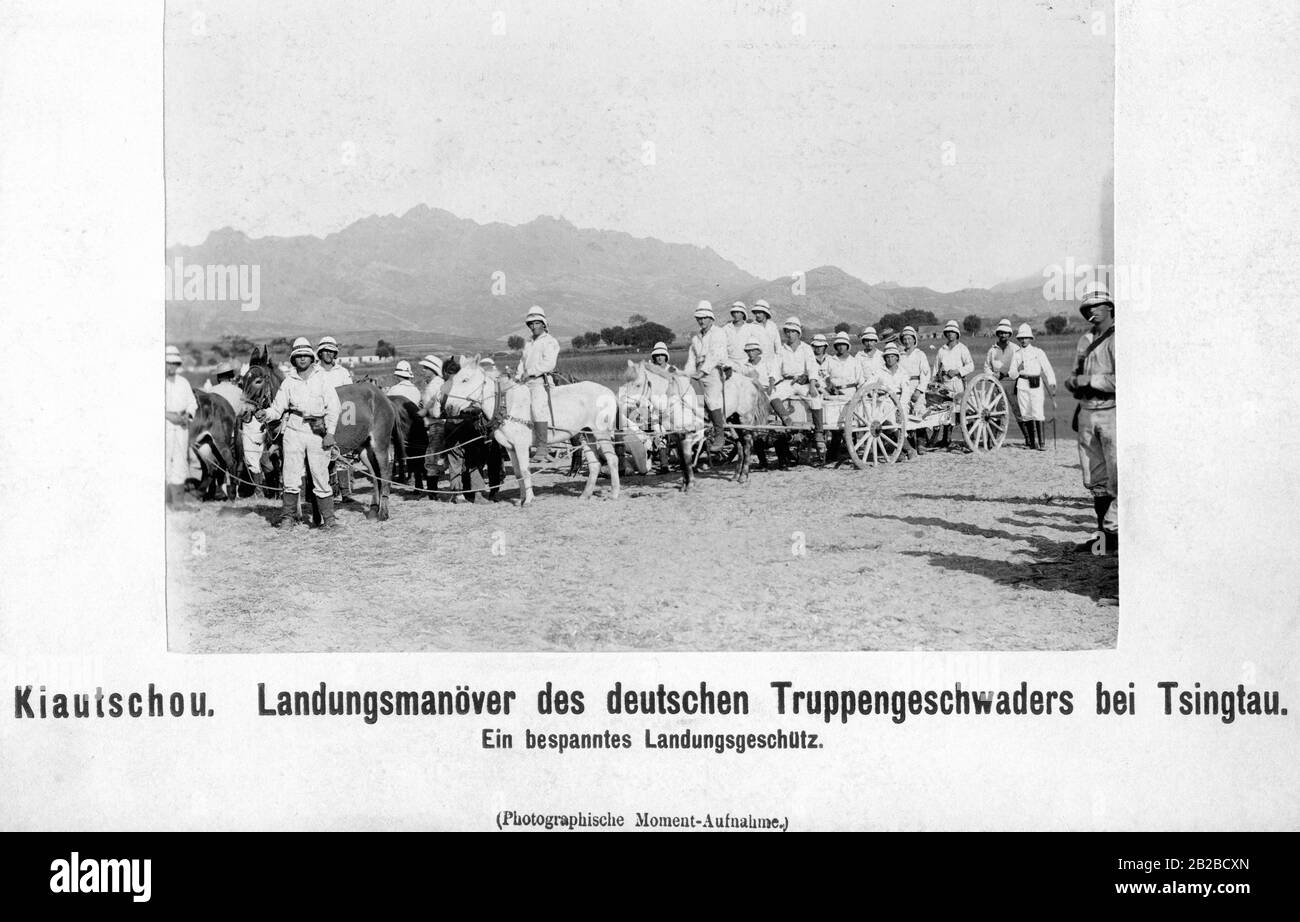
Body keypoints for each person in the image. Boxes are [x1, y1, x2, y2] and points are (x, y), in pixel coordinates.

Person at [256, 337, 342, 528]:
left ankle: (329, 519)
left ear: (312, 358)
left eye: (305, 355)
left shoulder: (322, 379)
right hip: (294, 430)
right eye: (298, 356)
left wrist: (330, 434)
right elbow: (277, 409)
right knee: (290, 475)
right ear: (294, 359)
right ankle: (287, 517)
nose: (302, 359)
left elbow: (334, 408)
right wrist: (266, 414)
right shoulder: (289, 382)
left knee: (320, 476)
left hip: (317, 430)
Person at [1065, 284, 1117, 553]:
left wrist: (1091, 380)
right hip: (1086, 411)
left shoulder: (1118, 339)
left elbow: (1124, 381)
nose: (1090, 313)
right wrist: (1074, 382)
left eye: (1095, 307)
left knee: (1116, 477)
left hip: (1111, 411)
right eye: (1086, 309)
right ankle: (1102, 539)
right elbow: (1077, 372)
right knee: (1094, 478)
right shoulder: (1084, 340)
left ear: (1109, 307)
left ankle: (1117, 535)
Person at [771, 317, 825, 457]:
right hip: (788, 382)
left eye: (792, 332)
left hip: (803, 382)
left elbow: (812, 368)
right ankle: (786, 418)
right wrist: (772, 382)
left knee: (816, 398)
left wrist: (812, 385)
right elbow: (775, 368)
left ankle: (819, 432)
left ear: (798, 333)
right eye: (787, 331)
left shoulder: (806, 348)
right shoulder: (782, 349)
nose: (789, 334)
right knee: (772, 395)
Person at [514, 306, 560, 462]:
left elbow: (549, 364)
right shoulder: (528, 343)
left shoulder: (550, 342)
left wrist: (530, 372)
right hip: (526, 382)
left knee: (537, 408)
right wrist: (519, 375)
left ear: (543, 324)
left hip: (541, 381)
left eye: (536, 323)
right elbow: (522, 362)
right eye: (531, 324)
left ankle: (542, 448)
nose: (533, 327)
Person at [684, 300, 730, 451]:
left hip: (715, 371)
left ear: (711, 318)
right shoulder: (696, 338)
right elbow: (691, 360)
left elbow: (714, 355)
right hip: (699, 372)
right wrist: (687, 375)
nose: (701, 321)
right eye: (699, 318)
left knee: (711, 400)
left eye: (704, 318)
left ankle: (719, 434)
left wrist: (702, 372)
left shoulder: (718, 333)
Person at [1006, 324, 1057, 451]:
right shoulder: (1017, 354)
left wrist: (1052, 382)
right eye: (1021, 338)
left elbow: (1047, 368)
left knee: (1037, 411)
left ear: (1030, 338)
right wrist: (1017, 370)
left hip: (1035, 384)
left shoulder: (1038, 352)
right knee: (1025, 413)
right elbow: (1012, 373)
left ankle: (1042, 443)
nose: (1023, 340)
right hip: (1022, 384)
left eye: (1026, 337)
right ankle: (1032, 443)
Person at [164, 345, 198, 506]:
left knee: (179, 461)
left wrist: (187, 415)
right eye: (168, 363)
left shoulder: (183, 382)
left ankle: (178, 502)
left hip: (181, 428)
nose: (171, 367)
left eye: (174, 364)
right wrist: (168, 415)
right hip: (164, 426)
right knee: (164, 461)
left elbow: (192, 403)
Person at [934, 319, 975, 447]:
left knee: (962, 409)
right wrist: (935, 380)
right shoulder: (942, 350)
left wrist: (957, 371)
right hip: (945, 384)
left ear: (957, 334)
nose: (950, 334)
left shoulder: (962, 349)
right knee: (946, 410)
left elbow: (971, 366)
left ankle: (970, 438)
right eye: (948, 332)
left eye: (953, 332)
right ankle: (946, 439)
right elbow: (936, 367)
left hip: (958, 383)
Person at [984, 318, 1026, 443]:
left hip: (1012, 383)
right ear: (998, 334)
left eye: (1006, 333)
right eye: (1001, 333)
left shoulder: (1015, 349)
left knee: (1018, 409)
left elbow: (1020, 367)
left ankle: (1028, 438)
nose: (1003, 335)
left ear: (1009, 334)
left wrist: (1006, 373)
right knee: (997, 411)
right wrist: (993, 375)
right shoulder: (992, 350)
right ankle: (996, 439)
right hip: (996, 384)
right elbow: (986, 367)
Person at [877, 342, 917, 460]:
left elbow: (906, 392)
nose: (890, 359)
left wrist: (900, 406)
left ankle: (906, 450)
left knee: (898, 423)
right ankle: (906, 449)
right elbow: (870, 384)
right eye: (887, 357)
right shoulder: (880, 371)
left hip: (900, 402)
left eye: (892, 356)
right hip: (884, 401)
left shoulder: (902, 372)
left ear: (897, 358)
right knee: (889, 423)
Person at [722, 302, 757, 368]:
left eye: (738, 312)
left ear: (743, 314)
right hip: (730, 362)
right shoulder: (725, 329)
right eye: (734, 312)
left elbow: (754, 346)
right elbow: (722, 347)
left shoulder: (750, 328)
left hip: (746, 362)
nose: (735, 314)